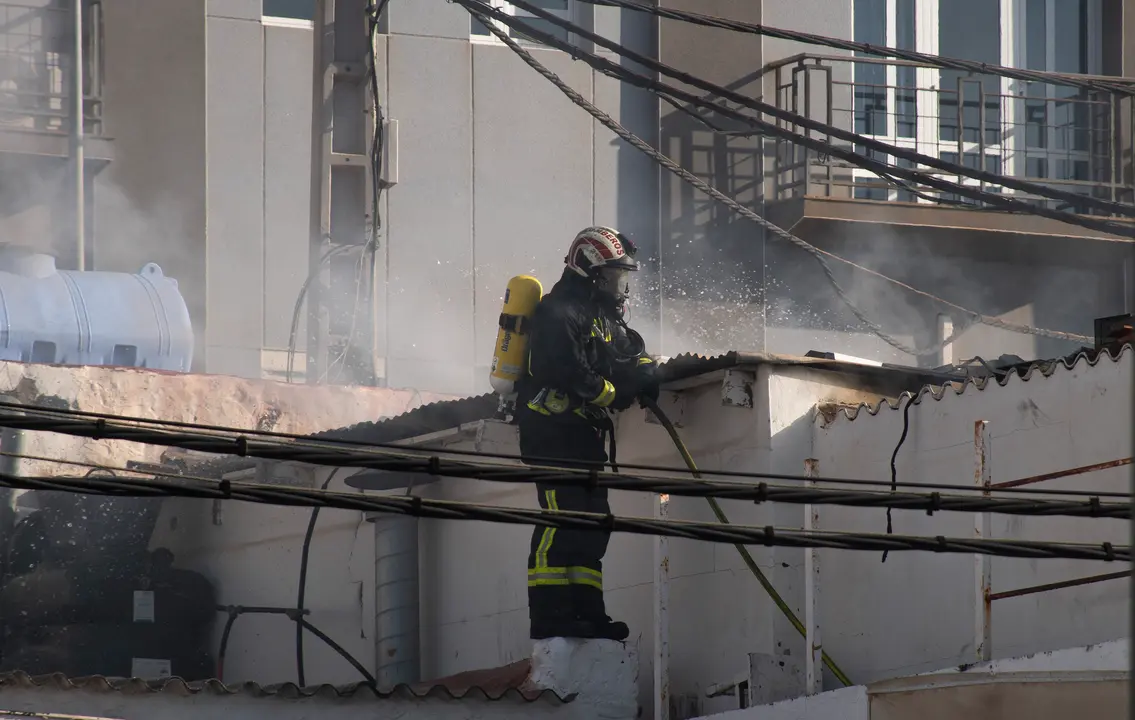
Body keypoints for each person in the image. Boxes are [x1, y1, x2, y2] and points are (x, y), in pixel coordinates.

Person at [515, 226, 661, 641]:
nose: (621, 287)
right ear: (588, 270)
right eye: (613, 277)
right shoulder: (558, 312)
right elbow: (566, 370)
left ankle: (587, 613)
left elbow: (629, 348)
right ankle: (549, 614)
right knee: (562, 518)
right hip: (551, 432)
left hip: (582, 434)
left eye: (623, 278)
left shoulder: (601, 315)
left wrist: (647, 370)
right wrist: (614, 392)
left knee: (594, 522)